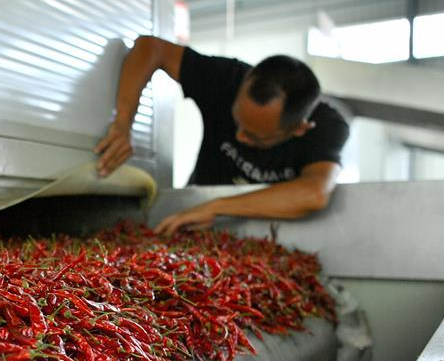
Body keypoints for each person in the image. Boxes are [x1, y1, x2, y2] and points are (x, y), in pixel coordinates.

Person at [94, 36, 349, 236]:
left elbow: (315, 193)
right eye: (237, 121)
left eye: (255, 137)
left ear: (299, 129)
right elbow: (150, 48)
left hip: (260, 225)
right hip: (196, 210)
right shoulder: (226, 78)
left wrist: (216, 207)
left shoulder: (326, 126)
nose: (239, 137)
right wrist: (122, 123)